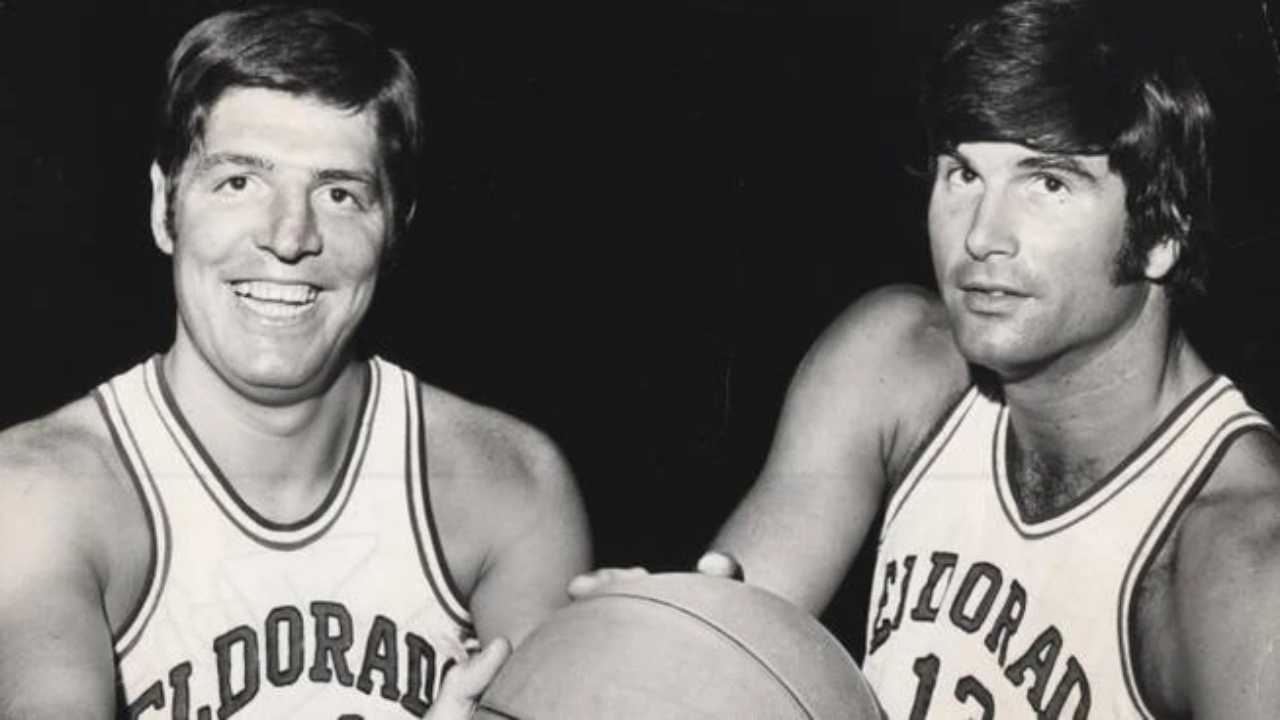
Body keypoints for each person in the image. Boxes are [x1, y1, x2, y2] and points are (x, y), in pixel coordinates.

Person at [578, 0, 1280, 716]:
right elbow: (715, 667)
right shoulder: (894, 365)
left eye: (1048, 183)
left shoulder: (1245, 561)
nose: (982, 236)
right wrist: (666, 647)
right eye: (964, 175)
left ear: (1162, 235)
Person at [0, 6, 590, 718]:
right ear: (164, 208)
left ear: (393, 230)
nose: (289, 237)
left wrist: (667, 645)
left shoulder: (511, 483)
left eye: (339, 194)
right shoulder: (38, 494)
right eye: (239, 183)